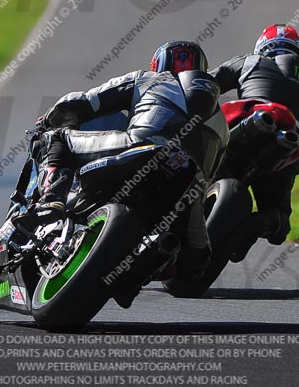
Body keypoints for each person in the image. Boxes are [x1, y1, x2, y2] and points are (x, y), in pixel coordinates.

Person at [15, 41, 229, 287]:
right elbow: (211, 177)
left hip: (140, 148)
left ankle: (52, 199)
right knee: (194, 264)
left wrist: (52, 118)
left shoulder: (146, 79)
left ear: (158, 64)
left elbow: (86, 102)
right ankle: (154, 258)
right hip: (187, 188)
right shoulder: (223, 122)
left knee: (57, 137)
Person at [209, 24, 299, 255]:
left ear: (262, 48)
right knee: (279, 223)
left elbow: (205, 84)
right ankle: (253, 226)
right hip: (285, 150)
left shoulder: (250, 61)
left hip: (242, 130)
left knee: (195, 162)